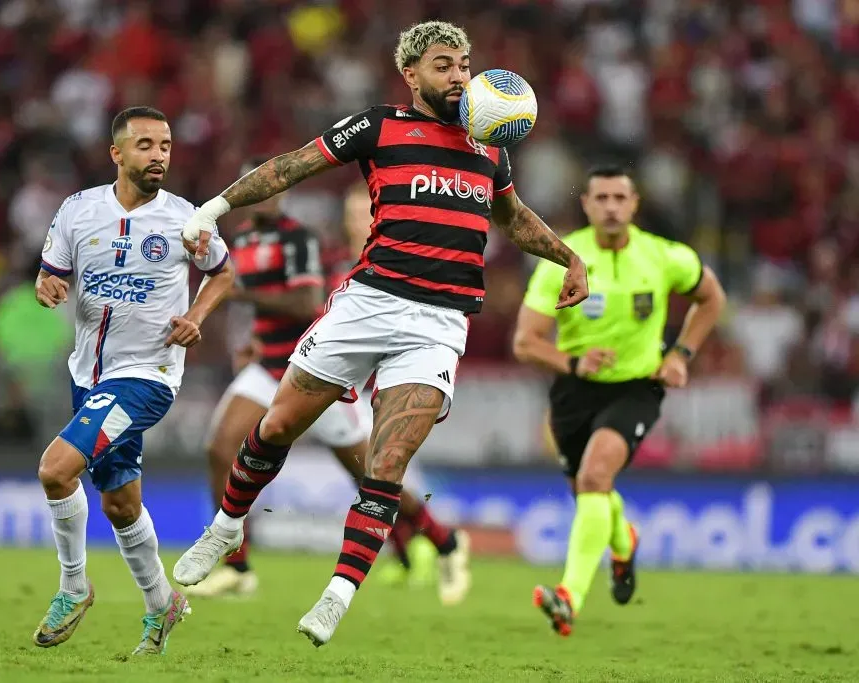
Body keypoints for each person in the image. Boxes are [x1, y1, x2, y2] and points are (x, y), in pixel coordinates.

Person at [174, 20, 588, 647]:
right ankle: (228, 526)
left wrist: (568, 258)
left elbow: (515, 219)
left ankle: (338, 595)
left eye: (465, 64)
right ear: (412, 74)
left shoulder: (491, 149)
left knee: (386, 464)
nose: (459, 75)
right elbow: (292, 166)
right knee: (277, 426)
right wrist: (213, 209)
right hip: (367, 304)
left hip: (440, 324)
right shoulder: (380, 127)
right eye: (444, 64)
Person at [187, 164, 467, 602]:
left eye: (368, 211)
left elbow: (312, 307)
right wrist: (260, 340)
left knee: (371, 477)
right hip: (275, 367)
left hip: (331, 381)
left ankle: (444, 540)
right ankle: (236, 566)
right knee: (221, 447)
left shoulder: (372, 258)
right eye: (356, 212)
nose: (363, 219)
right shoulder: (332, 255)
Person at [32, 106, 235, 655]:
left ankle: (73, 588)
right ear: (117, 154)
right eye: (145, 145)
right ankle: (163, 604)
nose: (159, 155)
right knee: (121, 504)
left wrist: (196, 316)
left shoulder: (187, 219)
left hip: (148, 375)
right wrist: (47, 286)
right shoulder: (78, 210)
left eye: (165, 145)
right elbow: (53, 272)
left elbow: (223, 273)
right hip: (88, 375)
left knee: (55, 470)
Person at [513, 164, 726, 636]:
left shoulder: (665, 257)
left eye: (619, 198)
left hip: (636, 387)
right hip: (573, 390)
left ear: (634, 205)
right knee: (591, 491)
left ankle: (568, 596)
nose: (611, 207)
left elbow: (711, 298)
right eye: (601, 198)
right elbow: (525, 342)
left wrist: (681, 355)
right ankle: (622, 539)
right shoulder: (563, 260)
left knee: (594, 476)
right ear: (586, 205)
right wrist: (574, 363)